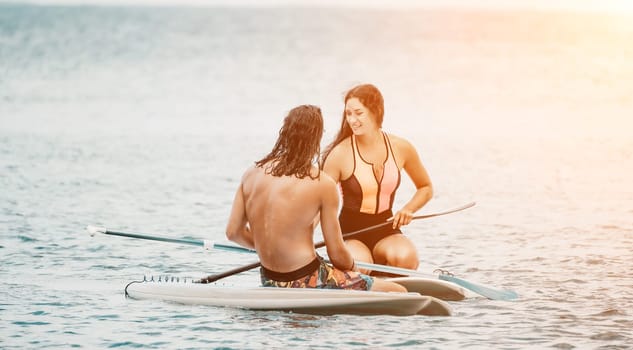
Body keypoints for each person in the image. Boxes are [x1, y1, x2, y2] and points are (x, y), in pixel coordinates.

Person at [226, 104, 406, 293]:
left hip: (270, 279)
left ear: (285, 132)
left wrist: (272, 247)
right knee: (399, 291)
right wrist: (353, 270)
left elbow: (233, 232)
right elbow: (336, 253)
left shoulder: (251, 174)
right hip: (308, 277)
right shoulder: (321, 183)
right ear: (316, 138)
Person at [322, 84, 433, 274]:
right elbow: (318, 200)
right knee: (360, 265)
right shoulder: (339, 154)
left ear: (375, 111)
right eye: (348, 114)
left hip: (385, 227)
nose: (352, 120)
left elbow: (425, 187)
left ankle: (386, 281)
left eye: (358, 113)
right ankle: (367, 278)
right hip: (350, 233)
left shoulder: (401, 147)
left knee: (406, 258)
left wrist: (408, 209)